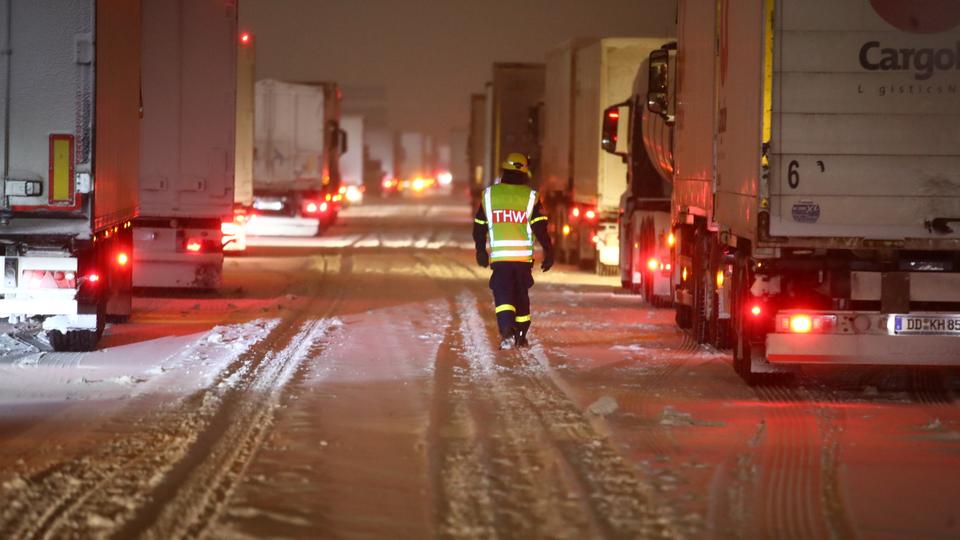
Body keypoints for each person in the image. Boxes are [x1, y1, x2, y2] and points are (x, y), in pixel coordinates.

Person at [473, 153, 554, 350]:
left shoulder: (490, 195)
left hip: (501, 259)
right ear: (525, 172)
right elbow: (540, 229)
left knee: (503, 295)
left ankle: (507, 331)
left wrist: (480, 250)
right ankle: (521, 334)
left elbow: (479, 226)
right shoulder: (531, 197)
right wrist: (549, 252)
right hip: (522, 260)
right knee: (520, 294)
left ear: (504, 171)